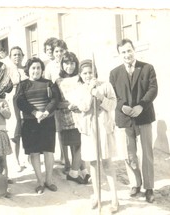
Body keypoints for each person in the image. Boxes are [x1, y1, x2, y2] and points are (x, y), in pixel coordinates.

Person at [110, 38, 158, 203]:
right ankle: (135, 183)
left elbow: (153, 89)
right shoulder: (114, 73)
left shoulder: (147, 68)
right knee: (129, 154)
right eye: (123, 52)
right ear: (119, 54)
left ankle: (149, 188)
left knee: (146, 153)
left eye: (129, 50)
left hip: (143, 116)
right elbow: (113, 95)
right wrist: (122, 106)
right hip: (124, 118)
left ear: (134, 50)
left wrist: (141, 106)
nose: (127, 54)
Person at [75, 59, 119, 212]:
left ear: (95, 72)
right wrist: (89, 92)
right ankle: (97, 196)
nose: (88, 76)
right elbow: (83, 107)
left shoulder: (105, 85)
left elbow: (113, 105)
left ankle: (114, 199)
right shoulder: (80, 90)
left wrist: (100, 96)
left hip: (103, 128)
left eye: (90, 72)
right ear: (81, 75)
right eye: (85, 73)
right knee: (93, 163)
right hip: (89, 130)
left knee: (107, 162)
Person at [16, 57, 60, 194]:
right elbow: (20, 102)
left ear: (42, 69)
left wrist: (46, 112)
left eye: (38, 68)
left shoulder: (49, 83)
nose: (36, 70)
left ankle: (49, 180)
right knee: (34, 152)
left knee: (48, 151)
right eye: (33, 68)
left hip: (47, 121)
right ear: (28, 70)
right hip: (30, 122)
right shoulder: (22, 85)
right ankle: (40, 181)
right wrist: (35, 113)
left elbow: (55, 99)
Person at [55, 52, 90, 184]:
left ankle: (81, 171)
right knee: (75, 146)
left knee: (81, 145)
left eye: (72, 63)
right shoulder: (58, 81)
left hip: (83, 115)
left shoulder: (80, 78)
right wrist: (69, 105)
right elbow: (56, 102)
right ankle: (76, 172)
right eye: (66, 63)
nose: (69, 66)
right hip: (67, 117)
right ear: (62, 64)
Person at [44, 39, 70, 173]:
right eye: (56, 51)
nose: (59, 53)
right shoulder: (49, 66)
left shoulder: (70, 62)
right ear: (53, 53)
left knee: (74, 132)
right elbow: (47, 84)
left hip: (70, 102)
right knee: (61, 131)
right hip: (58, 102)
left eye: (61, 50)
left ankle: (78, 163)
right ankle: (65, 159)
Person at [6, 46, 28, 172]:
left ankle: (28, 158)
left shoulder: (26, 69)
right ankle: (16, 160)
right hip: (13, 101)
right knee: (15, 132)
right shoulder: (7, 70)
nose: (17, 57)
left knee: (27, 130)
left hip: (26, 101)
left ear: (23, 56)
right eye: (14, 54)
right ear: (10, 57)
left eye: (19, 54)